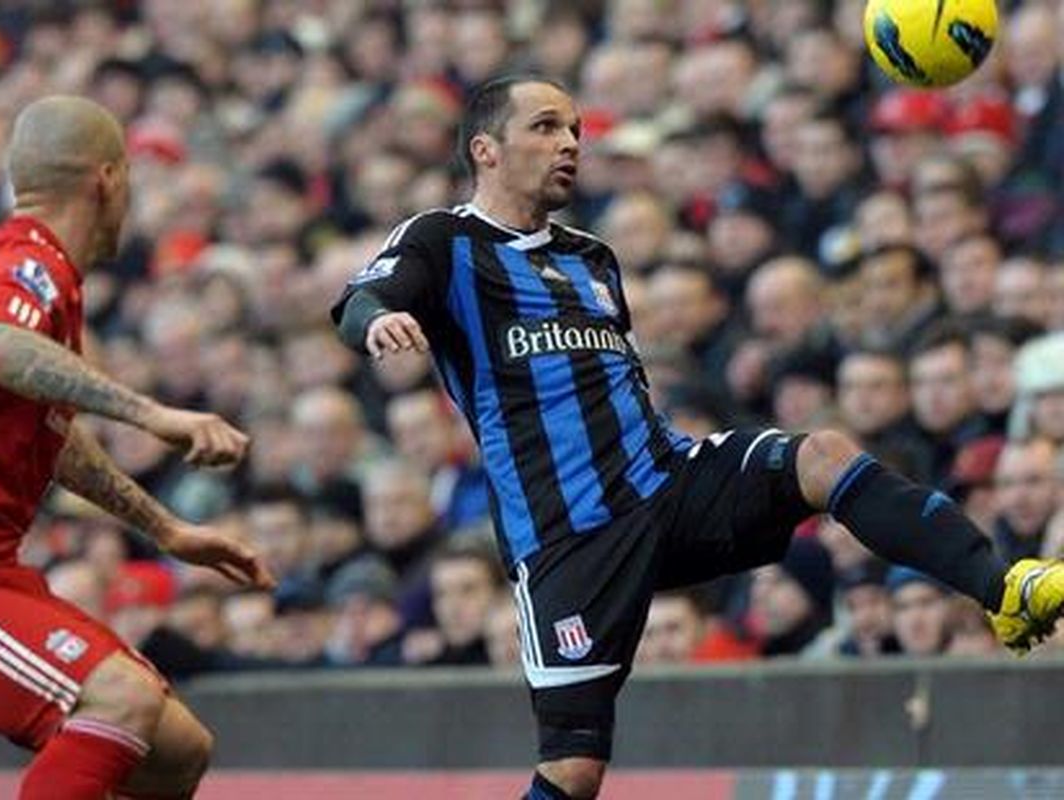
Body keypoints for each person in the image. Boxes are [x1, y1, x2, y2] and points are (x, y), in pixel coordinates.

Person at [331, 75, 1064, 800]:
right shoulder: (446, 240)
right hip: (570, 534)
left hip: (667, 480)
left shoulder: (592, 257)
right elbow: (363, 297)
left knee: (822, 455)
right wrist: (379, 320)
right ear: (486, 149)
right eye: (546, 127)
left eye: (575, 129)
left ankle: (1003, 589)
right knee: (574, 771)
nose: (570, 144)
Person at [0, 96, 274, 800]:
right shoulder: (23, 262)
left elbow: (51, 437)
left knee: (177, 749)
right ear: (107, 179)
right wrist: (153, 415)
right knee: (120, 701)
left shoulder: (35, 275)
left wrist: (167, 529)